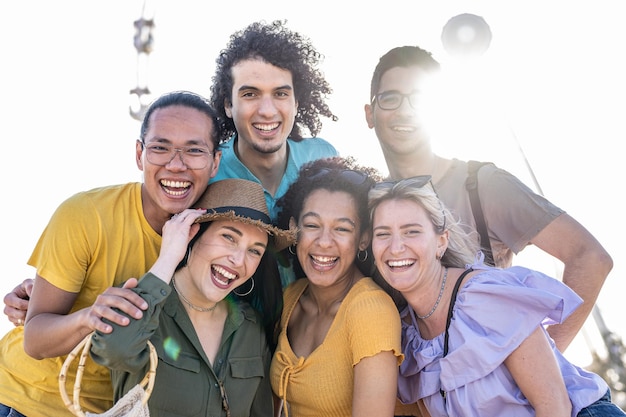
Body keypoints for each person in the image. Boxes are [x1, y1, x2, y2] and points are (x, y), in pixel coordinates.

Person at [363, 45, 613, 353]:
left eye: (419, 99)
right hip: (427, 396)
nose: (405, 110)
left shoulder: (482, 185)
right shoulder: (370, 204)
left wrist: (540, 364)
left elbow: (590, 257)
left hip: (495, 397)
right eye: (390, 98)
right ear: (369, 114)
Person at [0, 90, 222, 417]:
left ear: (215, 161)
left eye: (194, 150)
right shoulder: (86, 214)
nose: (177, 165)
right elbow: (34, 338)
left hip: (115, 409)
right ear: (139, 154)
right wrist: (89, 317)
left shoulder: (217, 238)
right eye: (160, 148)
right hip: (25, 399)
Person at [367, 176, 626, 416]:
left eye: (411, 231)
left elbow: (554, 406)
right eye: (383, 234)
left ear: (441, 242)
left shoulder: (485, 295)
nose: (396, 247)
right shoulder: (406, 335)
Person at [89, 178, 297, 417]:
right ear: (192, 236)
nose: (239, 260)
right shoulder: (144, 303)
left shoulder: (250, 327)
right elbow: (113, 349)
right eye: (229, 237)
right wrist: (169, 256)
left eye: (254, 251)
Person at [269, 156, 403, 417]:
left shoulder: (370, 310)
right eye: (312, 225)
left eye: (341, 229)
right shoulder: (290, 298)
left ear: (363, 238)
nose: (324, 242)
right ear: (295, 229)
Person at [208, 19, 339, 223]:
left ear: (296, 102)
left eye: (280, 94)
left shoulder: (324, 158)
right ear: (228, 105)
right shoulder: (207, 171)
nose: (267, 112)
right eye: (250, 94)